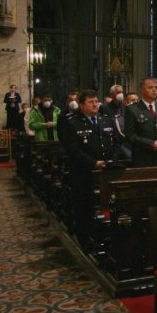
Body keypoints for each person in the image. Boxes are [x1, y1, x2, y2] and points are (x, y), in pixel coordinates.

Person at [58, 89, 119, 248]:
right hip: (83, 171)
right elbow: (72, 149)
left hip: (106, 171)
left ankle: (106, 238)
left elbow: (116, 142)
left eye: (96, 101)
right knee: (83, 206)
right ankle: (84, 240)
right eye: (90, 102)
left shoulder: (106, 119)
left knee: (107, 205)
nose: (95, 105)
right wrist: (93, 163)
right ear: (81, 104)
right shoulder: (71, 121)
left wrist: (111, 160)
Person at [124, 77, 157, 167]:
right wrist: (150, 144)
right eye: (150, 87)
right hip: (143, 157)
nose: (154, 90)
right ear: (142, 90)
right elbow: (130, 134)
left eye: (155, 88)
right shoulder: (133, 109)